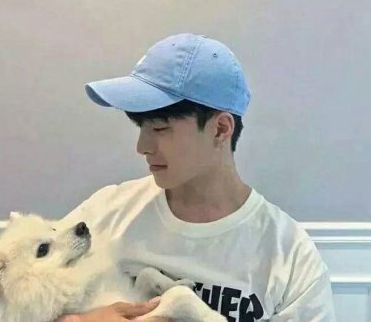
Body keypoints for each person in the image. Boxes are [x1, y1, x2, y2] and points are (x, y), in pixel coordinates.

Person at [58, 33, 336, 321]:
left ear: (220, 129)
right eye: (141, 127)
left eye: (160, 128)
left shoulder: (290, 257)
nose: (142, 147)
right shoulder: (104, 213)